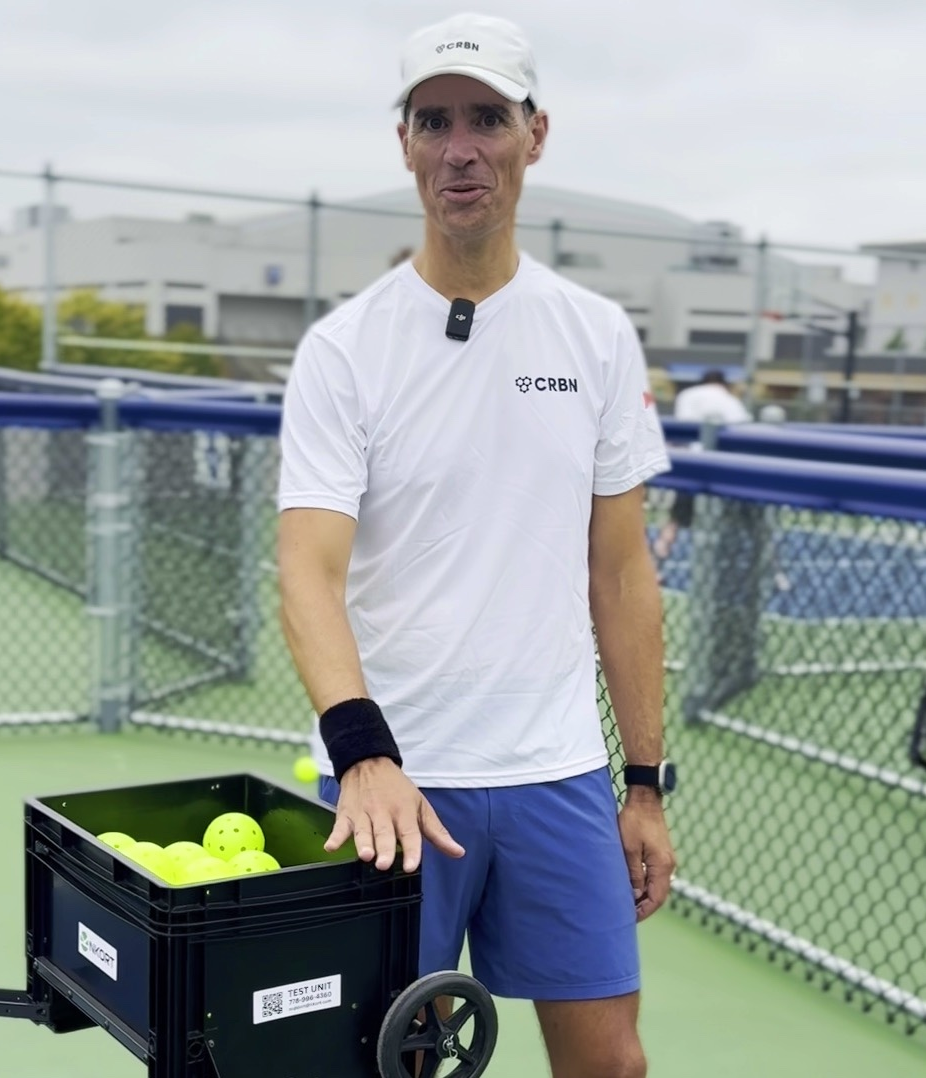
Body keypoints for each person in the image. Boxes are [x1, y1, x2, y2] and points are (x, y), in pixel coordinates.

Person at [277, 14, 675, 1078]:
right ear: (403, 142)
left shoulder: (593, 336)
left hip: (557, 777)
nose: (462, 148)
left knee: (611, 1064)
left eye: (487, 119)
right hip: (389, 789)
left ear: (533, 136)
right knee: (373, 1066)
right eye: (435, 121)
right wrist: (364, 753)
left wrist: (643, 781)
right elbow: (306, 572)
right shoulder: (343, 350)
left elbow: (622, 573)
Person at [651, 369, 751, 575]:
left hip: (692, 468)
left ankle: (656, 564)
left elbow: (682, 429)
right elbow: (745, 428)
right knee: (738, 524)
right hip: (724, 472)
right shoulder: (730, 401)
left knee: (675, 519)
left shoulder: (688, 395)